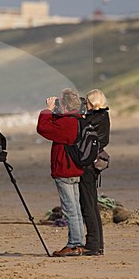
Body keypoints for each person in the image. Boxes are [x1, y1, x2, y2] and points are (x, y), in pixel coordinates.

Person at [36, 88, 85, 257]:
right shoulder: (78, 120)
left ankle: (74, 244)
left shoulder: (66, 124)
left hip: (65, 170)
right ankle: (79, 243)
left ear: (64, 105)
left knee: (70, 209)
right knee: (76, 209)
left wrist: (48, 110)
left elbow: (43, 128)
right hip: (76, 170)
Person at [79, 89, 111, 256]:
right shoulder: (104, 116)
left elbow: (81, 136)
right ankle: (98, 245)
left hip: (88, 166)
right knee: (92, 204)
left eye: (87, 103)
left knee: (88, 205)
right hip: (94, 164)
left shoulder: (93, 119)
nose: (85, 105)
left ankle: (92, 244)